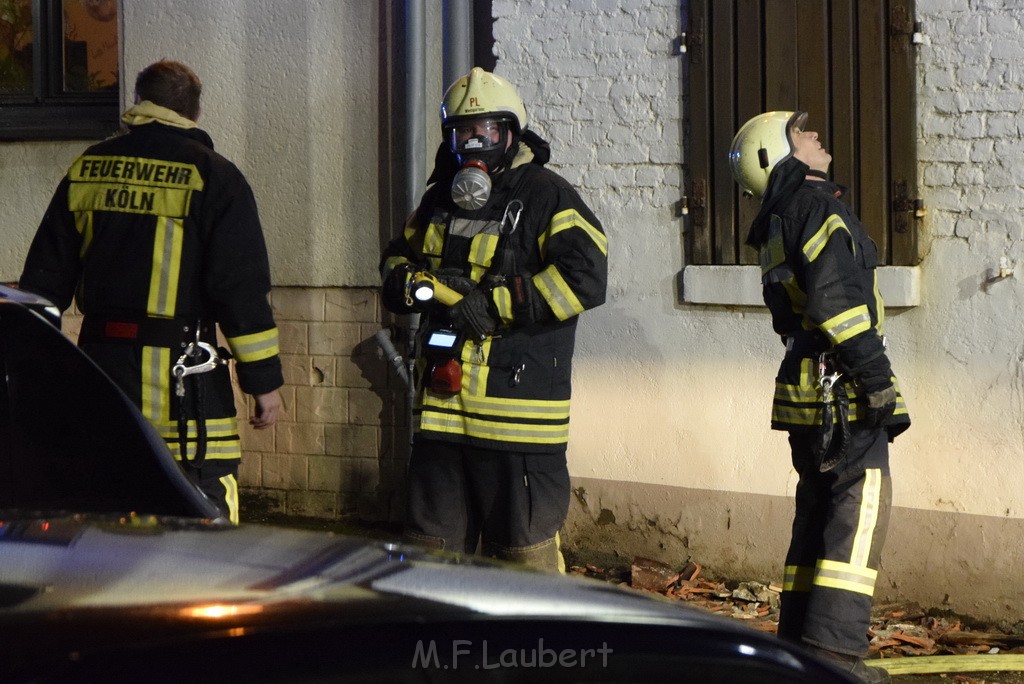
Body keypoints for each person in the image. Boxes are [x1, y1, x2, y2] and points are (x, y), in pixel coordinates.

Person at [19, 60, 283, 524]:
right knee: (201, 509)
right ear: (195, 112)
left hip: (102, 376)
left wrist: (34, 373)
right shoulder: (214, 176)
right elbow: (238, 289)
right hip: (187, 386)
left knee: (106, 501)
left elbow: (44, 280)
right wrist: (263, 383)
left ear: (137, 102)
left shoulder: (88, 169)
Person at [380, 67, 608, 572]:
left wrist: (495, 304)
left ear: (512, 134)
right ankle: (438, 650)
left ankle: (535, 655)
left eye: (486, 131)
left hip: (518, 428)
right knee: (428, 559)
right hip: (442, 420)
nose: (475, 143)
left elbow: (586, 278)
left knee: (523, 567)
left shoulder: (548, 196)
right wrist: (402, 282)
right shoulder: (438, 199)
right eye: (463, 132)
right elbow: (398, 256)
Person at [729, 111, 910, 683]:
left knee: (817, 515)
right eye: (801, 133)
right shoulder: (819, 209)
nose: (814, 135)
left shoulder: (779, 219)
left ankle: (800, 653)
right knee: (857, 516)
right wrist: (877, 379)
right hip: (845, 391)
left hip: (808, 392)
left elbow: (799, 314)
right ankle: (835, 661)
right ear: (778, 154)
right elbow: (838, 306)